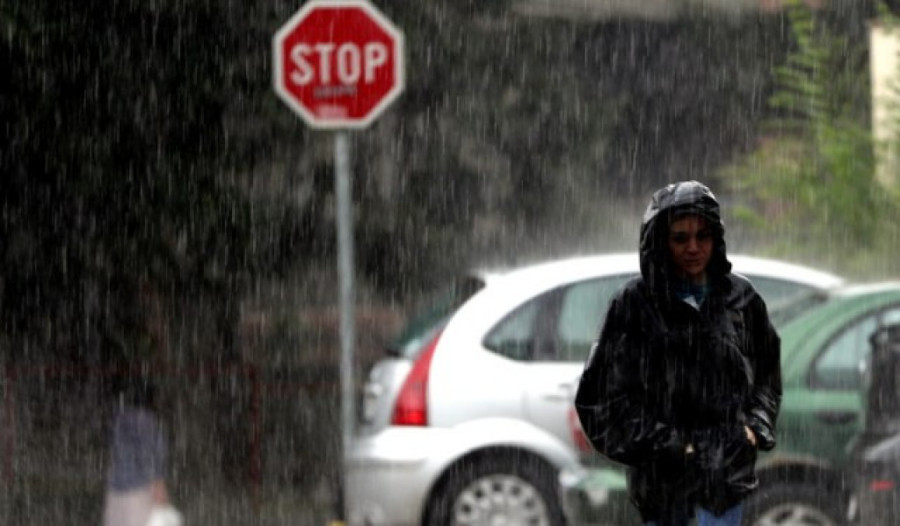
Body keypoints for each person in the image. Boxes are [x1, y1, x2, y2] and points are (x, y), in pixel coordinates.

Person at [574, 180, 782, 526]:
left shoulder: (741, 299)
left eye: (703, 236)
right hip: (664, 491)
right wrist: (669, 446)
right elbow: (600, 400)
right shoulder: (633, 305)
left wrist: (753, 428)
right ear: (660, 241)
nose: (693, 248)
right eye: (680, 238)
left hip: (726, 485)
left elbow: (768, 374)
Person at [103, 378, 178, 526]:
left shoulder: (117, 421)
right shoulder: (149, 423)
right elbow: (153, 455)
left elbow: (118, 452)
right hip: (138, 491)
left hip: (115, 491)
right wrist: (159, 484)